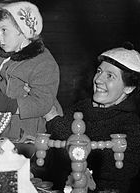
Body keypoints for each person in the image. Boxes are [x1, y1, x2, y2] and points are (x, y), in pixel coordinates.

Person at [45, 43, 140, 193]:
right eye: (99, 71)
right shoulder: (82, 107)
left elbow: (102, 167)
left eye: (110, 76)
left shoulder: (131, 125)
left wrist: (53, 119)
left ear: (129, 87)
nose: (98, 79)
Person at [0, 1, 63, 140]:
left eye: (4, 30)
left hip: (29, 130)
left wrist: (12, 105)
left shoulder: (42, 62)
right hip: (3, 124)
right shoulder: (6, 58)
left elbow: (44, 102)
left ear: (24, 29)